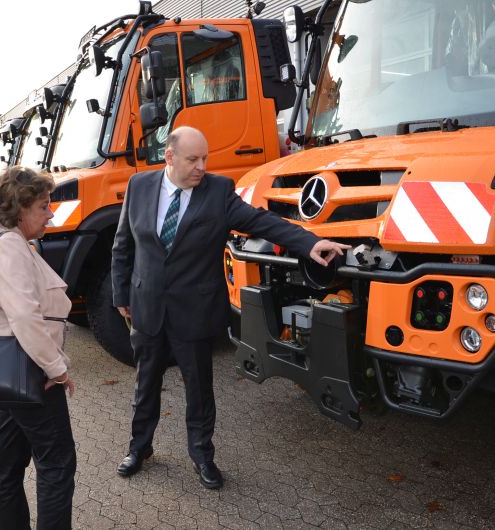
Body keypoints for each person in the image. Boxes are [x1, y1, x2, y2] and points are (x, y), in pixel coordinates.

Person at [111, 126, 350, 489]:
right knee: (145, 384)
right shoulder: (139, 186)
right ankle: (139, 447)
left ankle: (202, 456)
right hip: (147, 307)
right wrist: (121, 295)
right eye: (193, 159)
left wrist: (309, 243)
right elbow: (122, 246)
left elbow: (263, 222)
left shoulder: (218, 191)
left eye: (205, 158)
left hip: (193, 311)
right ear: (170, 157)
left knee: (199, 389)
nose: (201, 167)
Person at [0, 165, 76, 529]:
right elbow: (25, 318)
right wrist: (57, 369)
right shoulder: (9, 246)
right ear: (20, 207)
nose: (51, 212)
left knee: (8, 468)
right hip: (31, 373)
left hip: (8, 373)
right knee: (57, 463)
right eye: (44, 205)